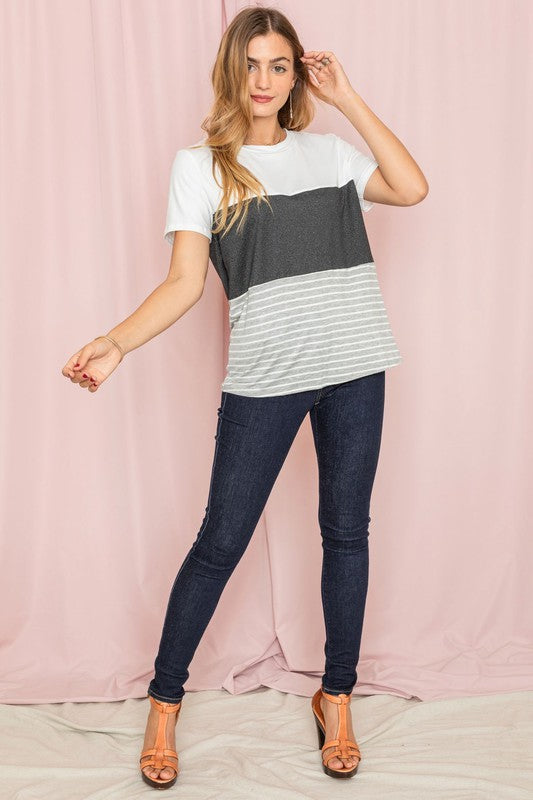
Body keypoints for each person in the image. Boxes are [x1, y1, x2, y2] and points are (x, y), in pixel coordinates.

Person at [61, 5, 428, 790]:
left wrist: (350, 99)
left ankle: (336, 697)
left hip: (357, 365)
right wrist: (117, 341)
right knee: (219, 541)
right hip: (265, 377)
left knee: (346, 534)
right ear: (232, 69)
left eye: (280, 66)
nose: (264, 81)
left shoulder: (329, 152)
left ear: (298, 76)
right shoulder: (201, 165)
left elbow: (411, 187)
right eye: (253, 64)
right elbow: (185, 283)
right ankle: (164, 703)